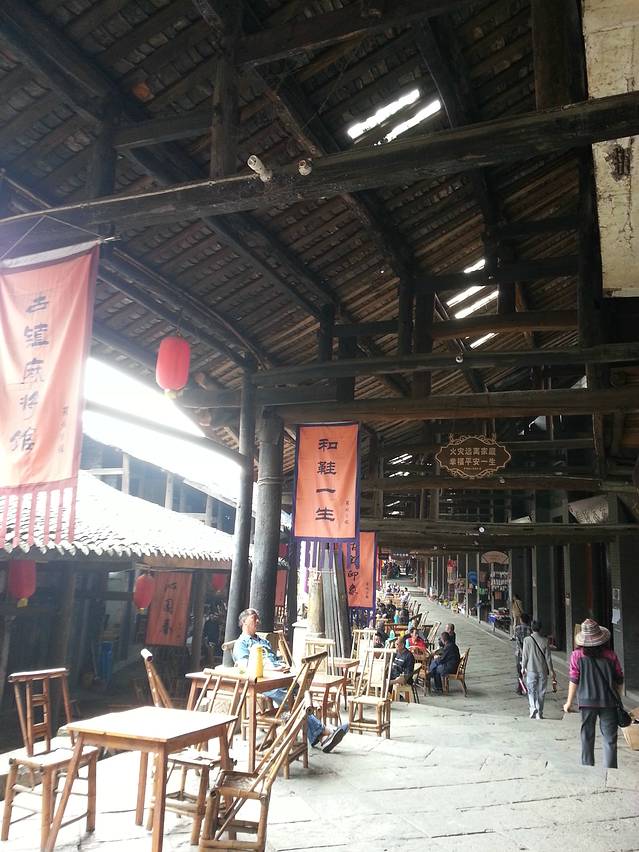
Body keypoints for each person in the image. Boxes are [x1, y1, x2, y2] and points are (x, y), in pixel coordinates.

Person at [233, 608, 348, 752]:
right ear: (244, 622)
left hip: (281, 676)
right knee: (293, 701)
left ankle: (318, 735)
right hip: (264, 682)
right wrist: (271, 670)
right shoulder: (241, 644)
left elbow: (275, 658)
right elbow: (246, 667)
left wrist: (282, 667)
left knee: (301, 692)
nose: (258, 621)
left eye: (258, 618)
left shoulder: (263, 641)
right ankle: (322, 732)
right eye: (254, 618)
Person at [563, 618, 624, 768]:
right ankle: (610, 770)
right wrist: (618, 697)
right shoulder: (611, 655)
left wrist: (569, 702)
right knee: (610, 739)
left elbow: (574, 679)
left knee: (587, 736)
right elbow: (619, 679)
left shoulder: (576, 655)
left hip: (586, 702)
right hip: (609, 702)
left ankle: (587, 766)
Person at [521, 620, 555, 720]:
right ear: (540, 628)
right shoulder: (545, 640)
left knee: (531, 690)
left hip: (531, 669)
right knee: (541, 692)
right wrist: (551, 670)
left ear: (531, 628)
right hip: (542, 670)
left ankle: (533, 708)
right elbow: (548, 658)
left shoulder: (527, 640)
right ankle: (539, 713)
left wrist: (523, 667)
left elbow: (525, 655)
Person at [514, 613, 532, 694]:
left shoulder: (517, 628)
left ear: (521, 620)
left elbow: (517, 640)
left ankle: (520, 687)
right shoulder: (530, 629)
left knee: (519, 670)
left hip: (519, 653)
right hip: (528, 653)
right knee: (528, 670)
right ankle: (529, 687)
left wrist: (521, 650)